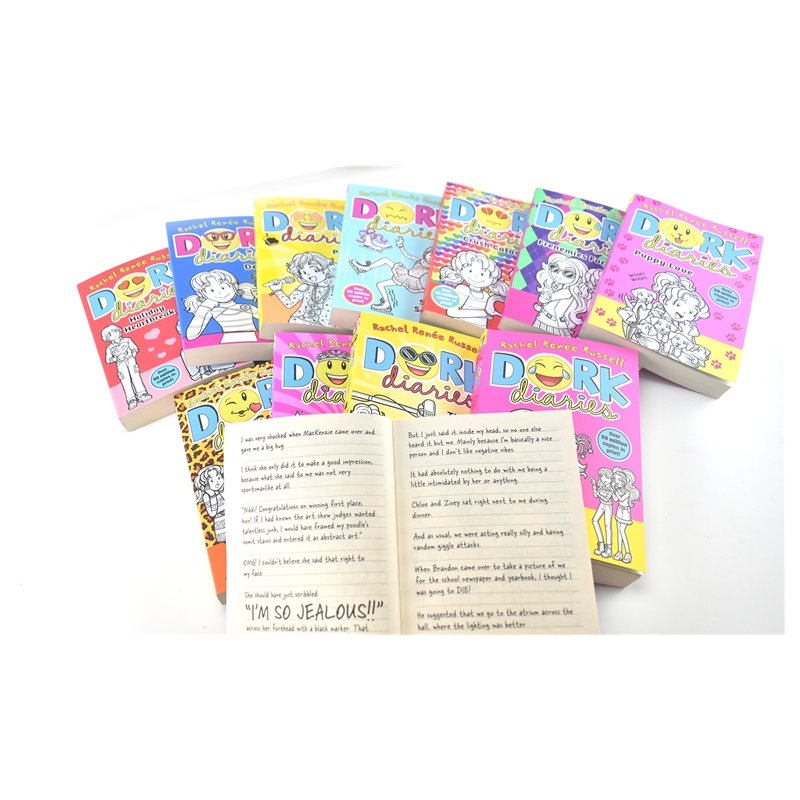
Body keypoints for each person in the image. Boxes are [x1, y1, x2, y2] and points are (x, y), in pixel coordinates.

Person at [533, 252, 599, 337]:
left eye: (568, 273)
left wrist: (547, 294)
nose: (558, 275)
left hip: (555, 324)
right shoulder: (555, 286)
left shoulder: (567, 292)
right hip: (543, 318)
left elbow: (545, 299)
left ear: (579, 278)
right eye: (554, 268)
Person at [183, 269, 258, 343]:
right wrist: (202, 310)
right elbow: (191, 336)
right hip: (228, 344)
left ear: (234, 286)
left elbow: (264, 319)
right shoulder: (213, 311)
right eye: (212, 290)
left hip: (253, 342)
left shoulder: (248, 307)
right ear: (202, 294)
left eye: (223, 288)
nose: (219, 292)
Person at [439, 250, 507, 328]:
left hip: (480, 332)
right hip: (457, 329)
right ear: (460, 271)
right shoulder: (463, 289)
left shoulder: (486, 296)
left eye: (482, 274)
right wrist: (484, 313)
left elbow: (486, 317)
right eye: (470, 271)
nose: (476, 276)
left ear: (492, 279)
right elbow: (451, 312)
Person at [267, 251, 336, 325]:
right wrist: (277, 290)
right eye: (304, 273)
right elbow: (289, 304)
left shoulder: (335, 290)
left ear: (326, 270)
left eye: (315, 270)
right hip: (298, 322)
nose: (309, 275)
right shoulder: (305, 287)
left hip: (323, 326)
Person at [101, 325, 152, 410]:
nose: (114, 334)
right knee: (125, 380)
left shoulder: (127, 340)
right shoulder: (109, 348)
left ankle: (142, 393)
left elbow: (135, 348)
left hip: (131, 361)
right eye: (110, 334)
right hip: (121, 364)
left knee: (136, 376)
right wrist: (116, 358)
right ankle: (131, 399)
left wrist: (132, 355)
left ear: (119, 331)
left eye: (115, 331)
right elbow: (108, 360)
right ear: (107, 338)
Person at [194, 465, 225, 543]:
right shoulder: (207, 496)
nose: (217, 482)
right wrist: (212, 496)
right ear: (206, 484)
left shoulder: (223, 490)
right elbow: (212, 513)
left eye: (219, 478)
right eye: (212, 480)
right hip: (220, 523)